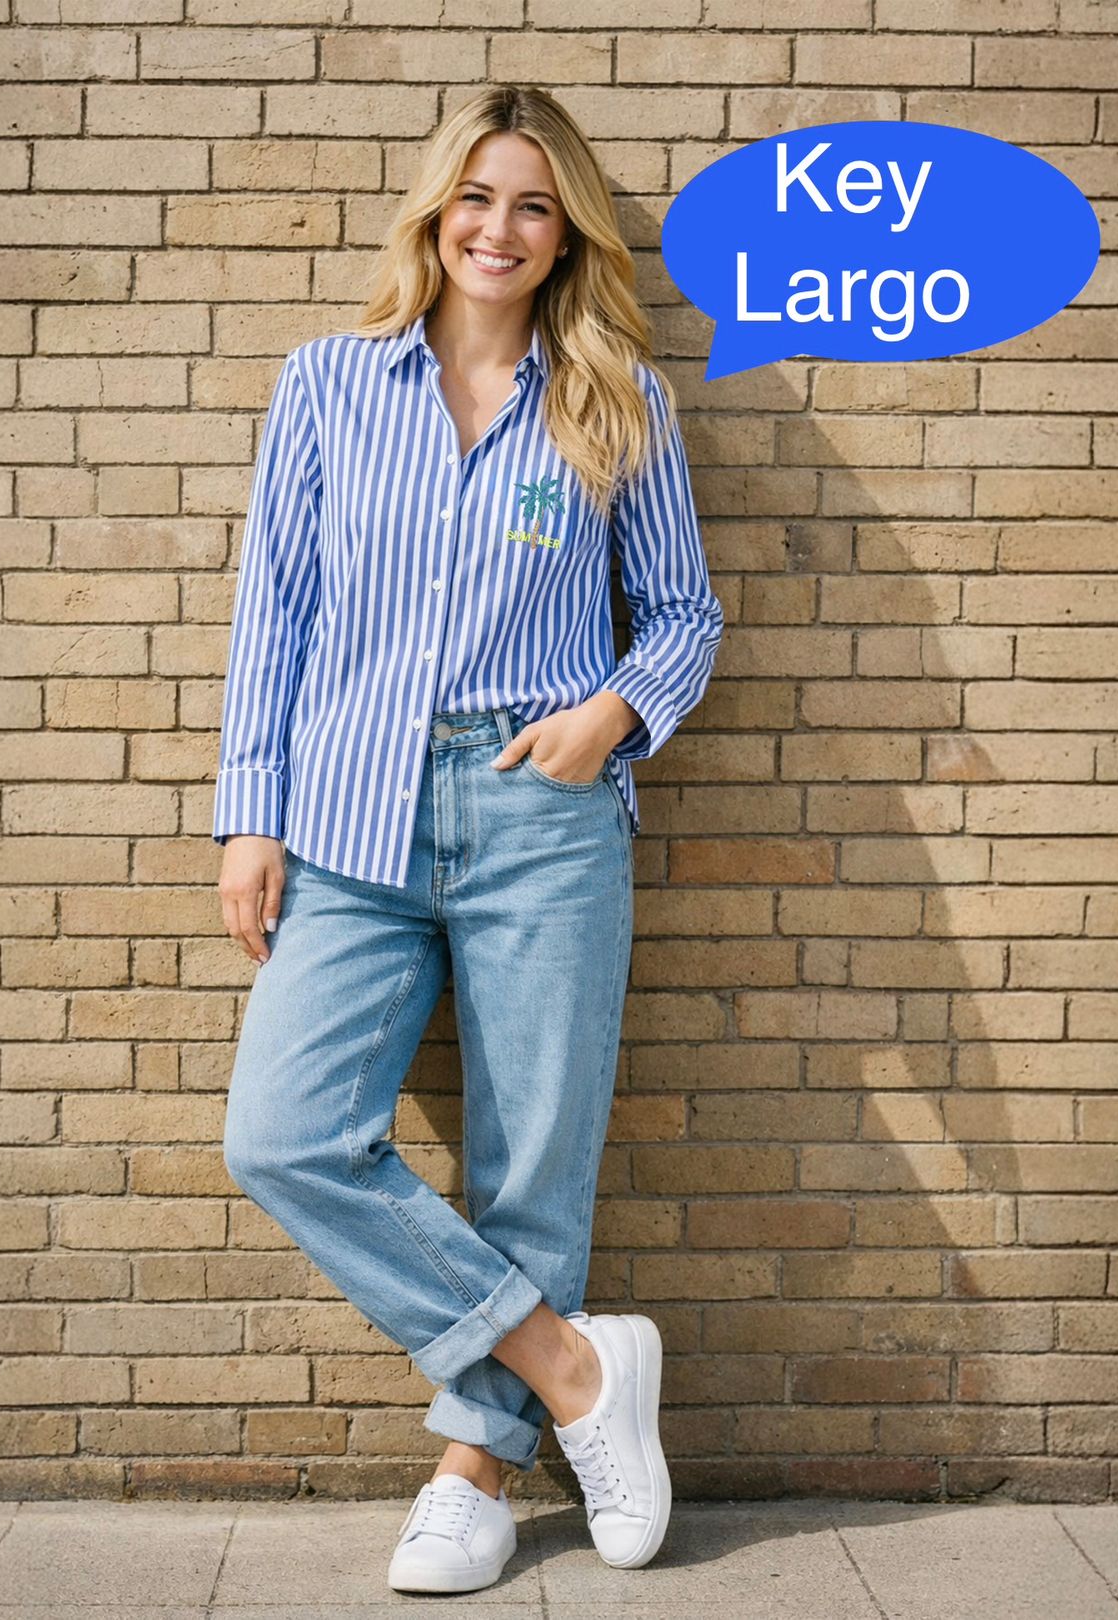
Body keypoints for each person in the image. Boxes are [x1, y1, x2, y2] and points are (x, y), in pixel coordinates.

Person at [212, 83, 724, 1596]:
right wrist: (249, 814)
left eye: (534, 206)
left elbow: (685, 613)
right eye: (478, 198)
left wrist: (611, 715)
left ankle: (469, 1479)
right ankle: (575, 1371)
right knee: (284, 1134)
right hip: (351, 818)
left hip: (542, 814)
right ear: (435, 212)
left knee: (531, 1166)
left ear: (565, 235)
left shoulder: (614, 394)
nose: (499, 230)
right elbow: (275, 617)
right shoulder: (326, 384)